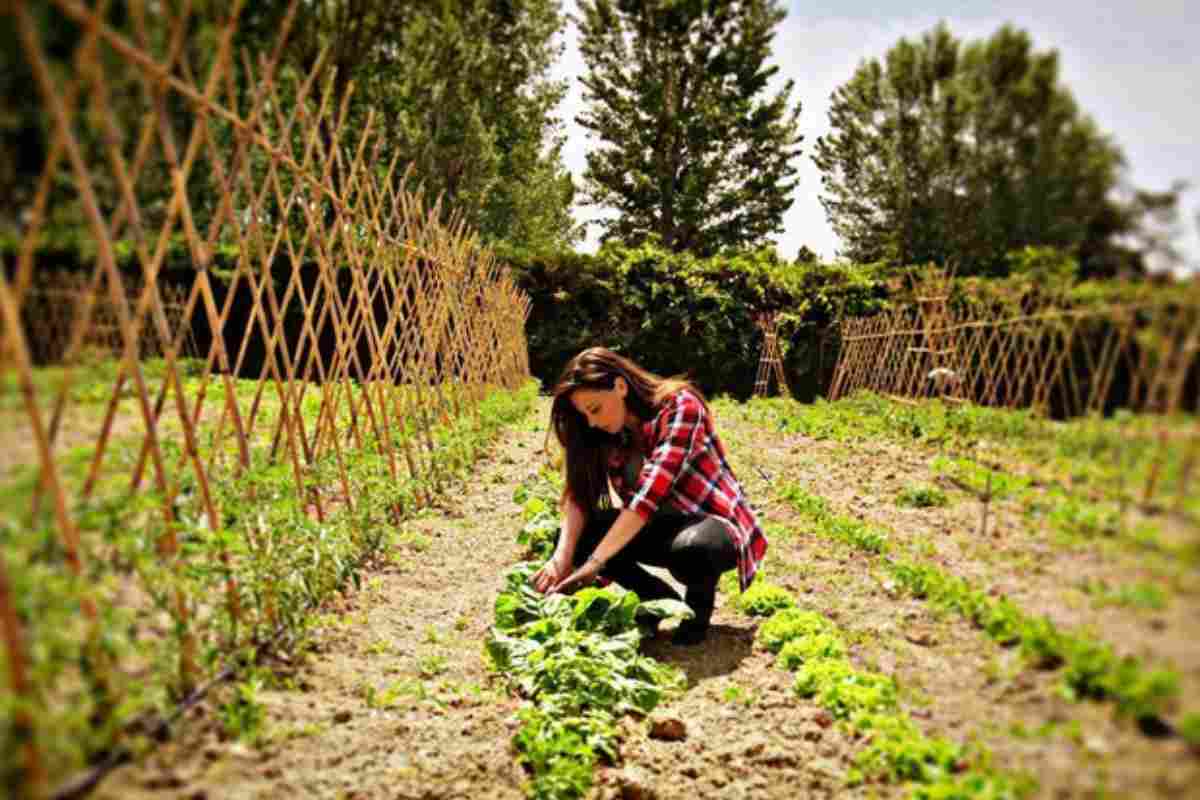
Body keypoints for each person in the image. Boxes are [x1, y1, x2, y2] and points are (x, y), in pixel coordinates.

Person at [531, 346, 768, 645]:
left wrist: (594, 564)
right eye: (585, 415)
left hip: (710, 523)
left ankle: (696, 615)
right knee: (576, 537)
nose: (592, 422)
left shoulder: (680, 407)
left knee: (692, 550)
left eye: (595, 409)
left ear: (619, 386)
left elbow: (645, 499)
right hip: (656, 524)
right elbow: (580, 495)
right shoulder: (605, 433)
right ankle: (654, 596)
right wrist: (561, 559)